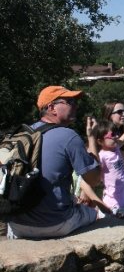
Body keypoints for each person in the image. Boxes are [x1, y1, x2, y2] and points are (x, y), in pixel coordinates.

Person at [7, 86, 101, 239]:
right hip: (55, 223)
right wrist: (91, 139)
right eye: (70, 101)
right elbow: (94, 179)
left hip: (16, 223)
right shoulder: (68, 136)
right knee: (93, 213)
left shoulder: (23, 134)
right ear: (51, 108)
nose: (75, 106)